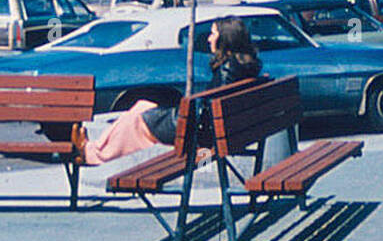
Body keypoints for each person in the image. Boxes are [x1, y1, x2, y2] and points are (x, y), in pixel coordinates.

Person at [74, 16, 264, 164]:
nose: (208, 38)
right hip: (215, 132)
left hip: (200, 136)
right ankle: (93, 147)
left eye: (213, 34)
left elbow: (208, 113)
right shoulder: (245, 66)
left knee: (137, 119)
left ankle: (91, 153)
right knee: (142, 106)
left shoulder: (227, 70)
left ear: (226, 39)